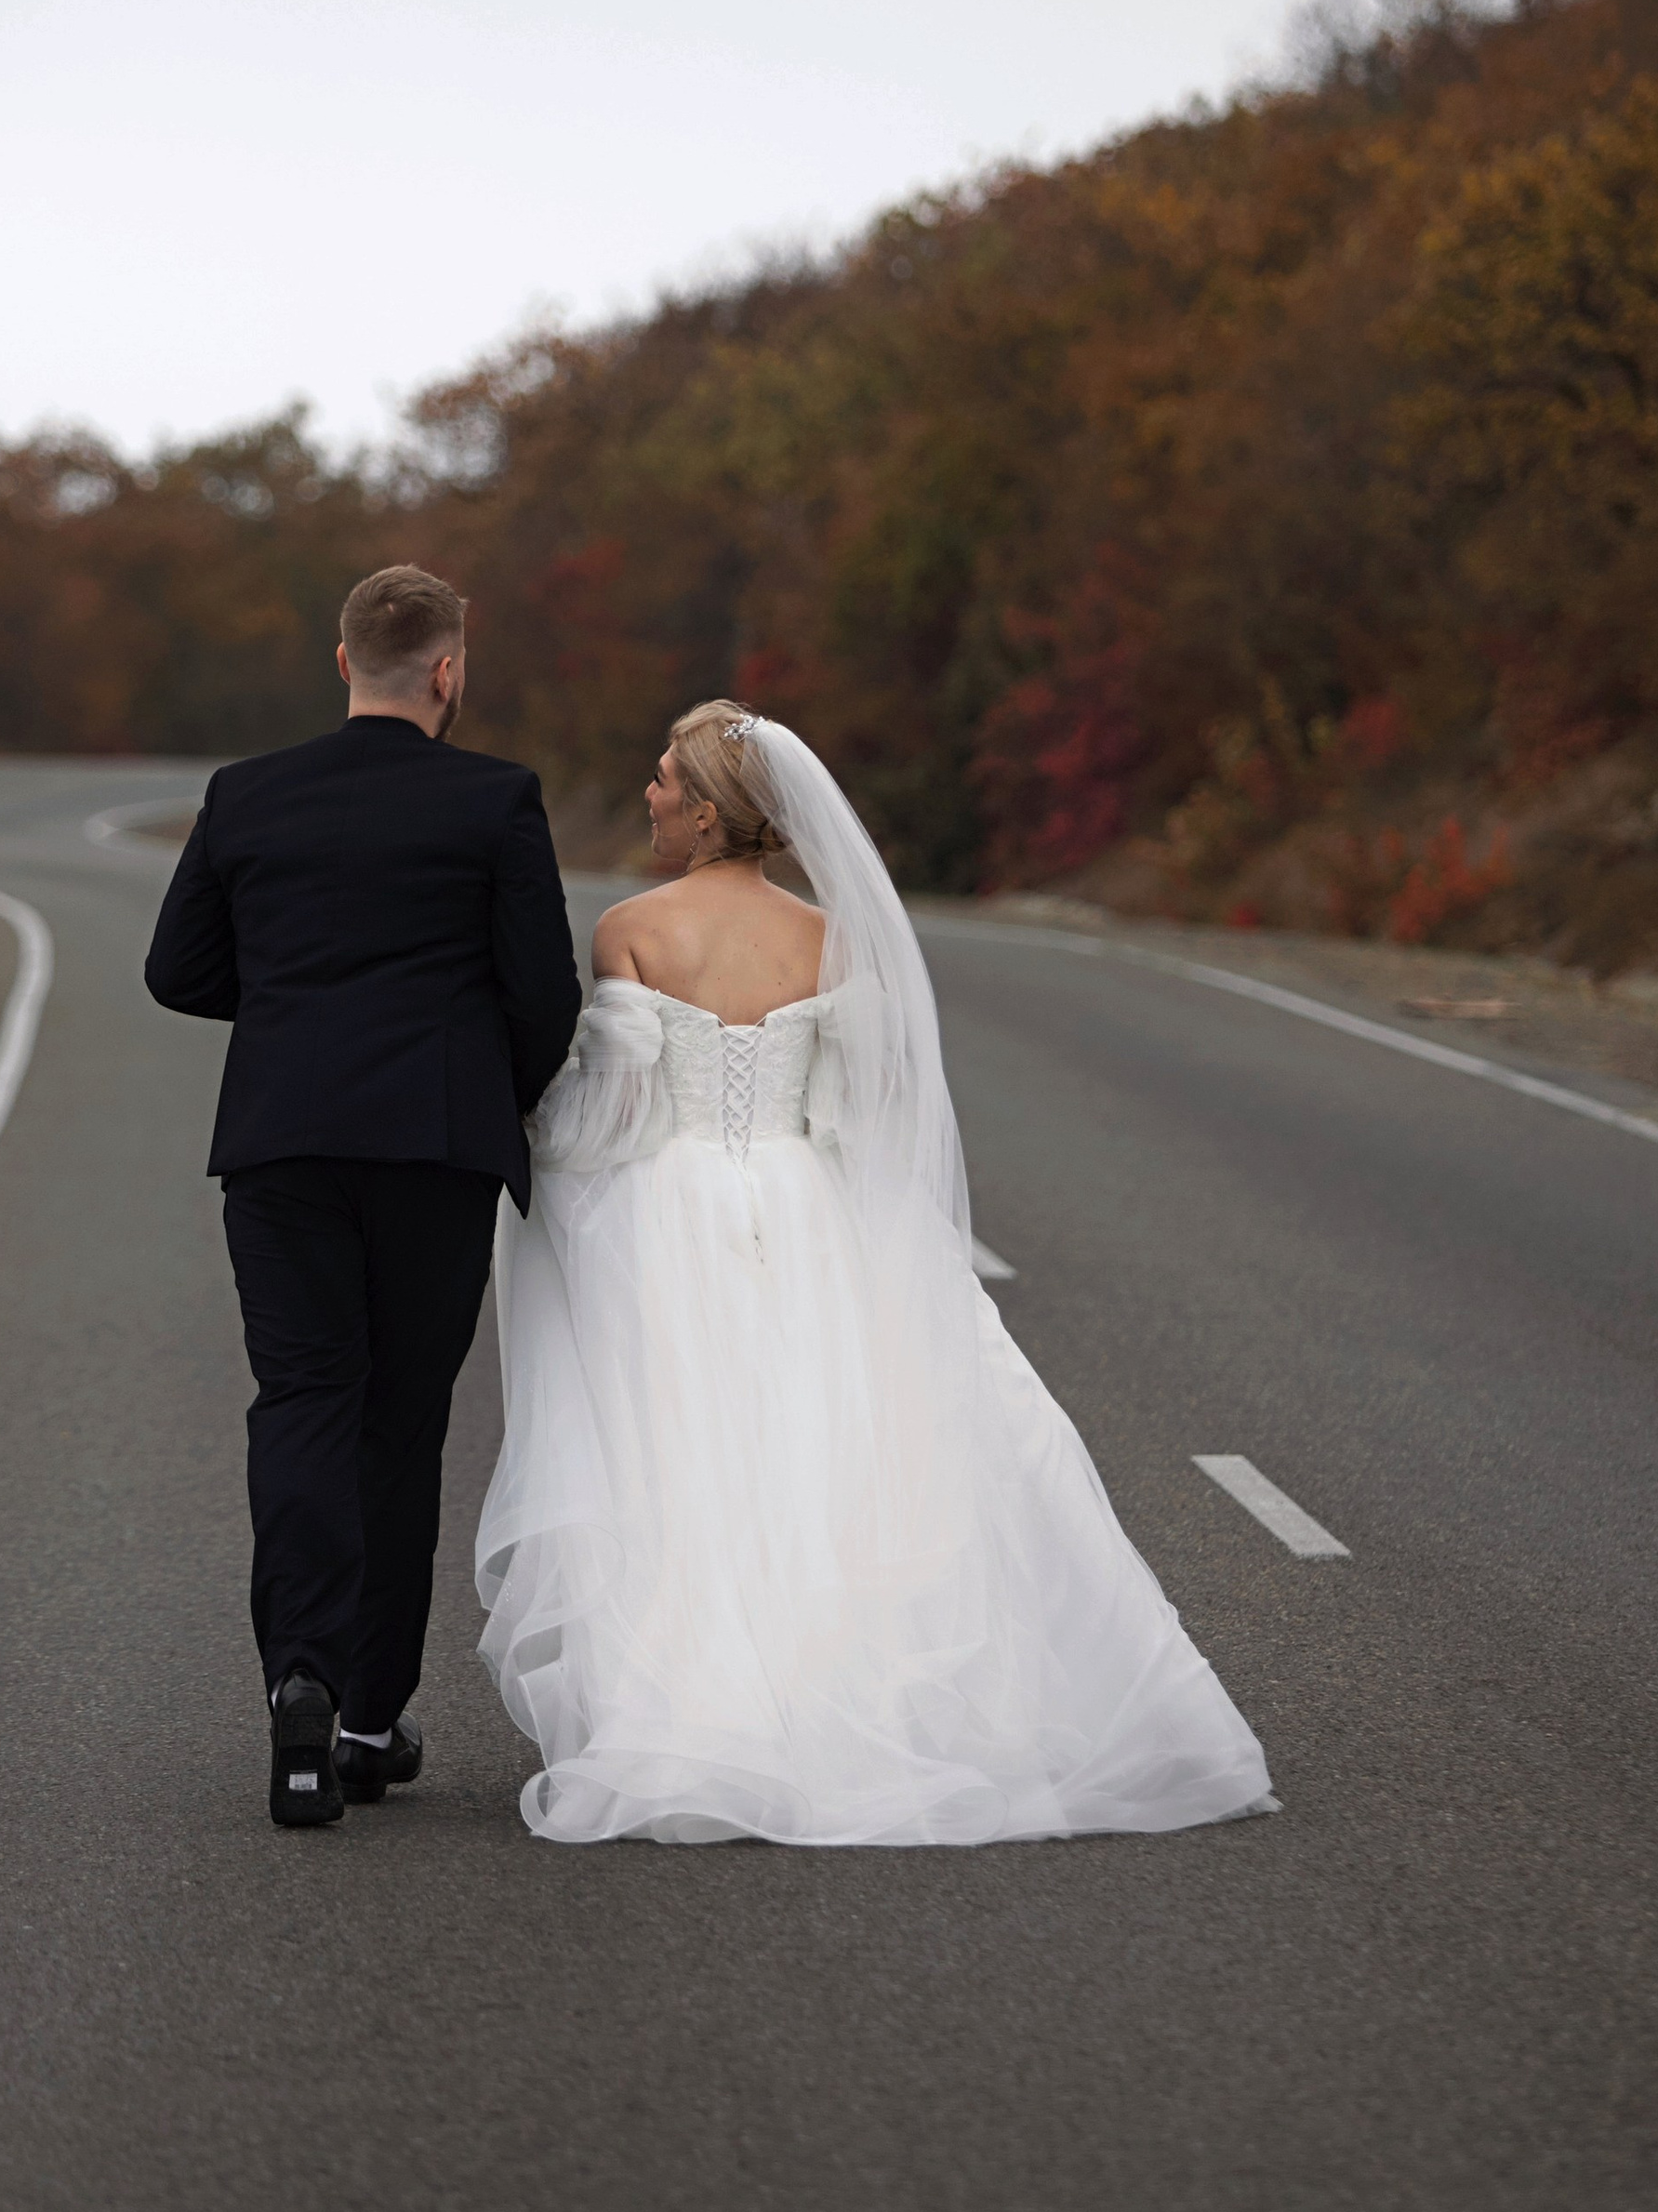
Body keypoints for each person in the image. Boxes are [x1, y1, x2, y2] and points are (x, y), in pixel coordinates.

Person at [476, 700, 1275, 1847]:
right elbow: (855, 1110)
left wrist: (521, 1140)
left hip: (673, 1207)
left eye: (661, 781)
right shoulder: (826, 935)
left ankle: (700, 1703)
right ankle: (838, 1684)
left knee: (686, 1454)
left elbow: (612, 1117)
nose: (645, 795)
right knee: (819, 1447)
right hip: (805, 1203)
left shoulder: (632, 931)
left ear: (706, 813)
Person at [146, 565, 582, 1828]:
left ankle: (299, 1673)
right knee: (400, 1419)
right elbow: (541, 993)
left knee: (301, 1399)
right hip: (437, 1146)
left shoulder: (247, 794)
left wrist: (294, 1013)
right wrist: (481, 1081)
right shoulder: (497, 799)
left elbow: (177, 970)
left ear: (344, 662)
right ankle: (367, 1718)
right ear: (447, 669)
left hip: (283, 1142)